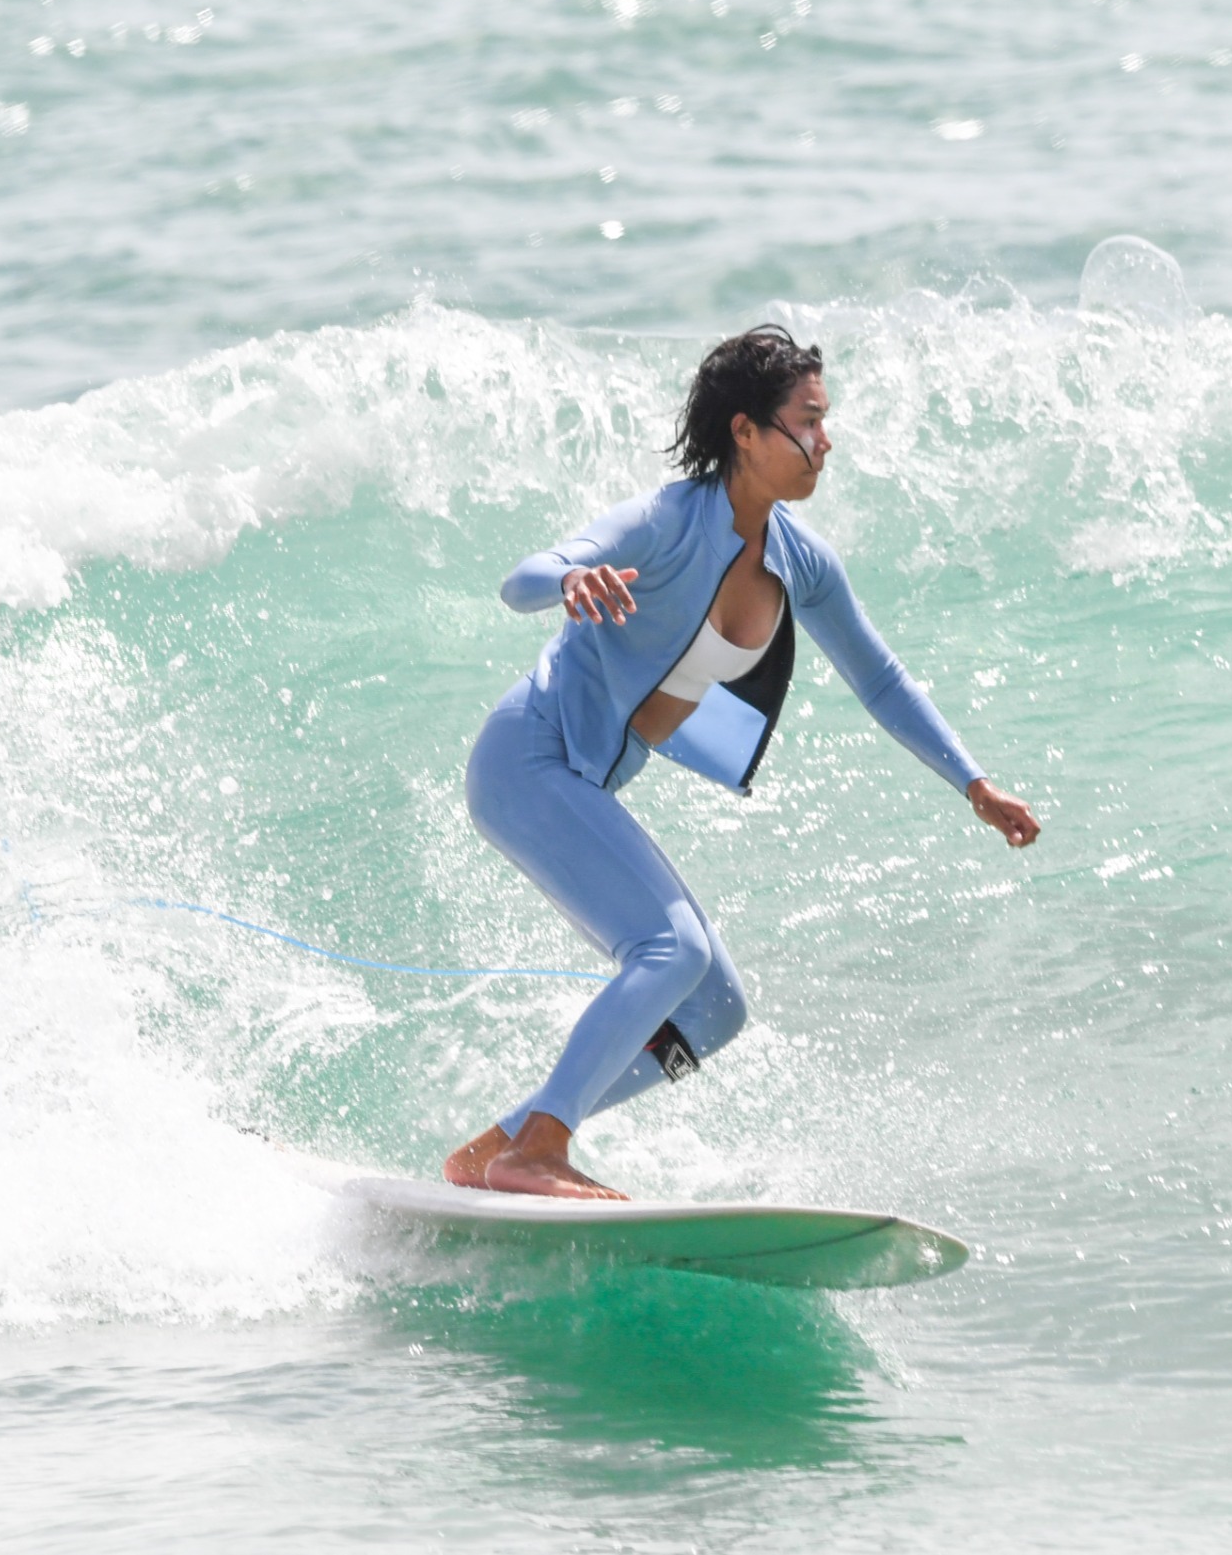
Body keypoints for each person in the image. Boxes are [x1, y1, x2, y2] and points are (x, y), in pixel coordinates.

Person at [443, 325, 1042, 1199]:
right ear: (746, 432)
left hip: (580, 780)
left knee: (713, 1009)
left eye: (825, 420)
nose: (825, 440)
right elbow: (522, 578)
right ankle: (539, 1147)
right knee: (669, 949)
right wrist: (570, 581)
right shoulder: (665, 521)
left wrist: (973, 782)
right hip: (528, 757)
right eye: (808, 420)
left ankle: (502, 1143)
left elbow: (879, 679)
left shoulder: (800, 561)